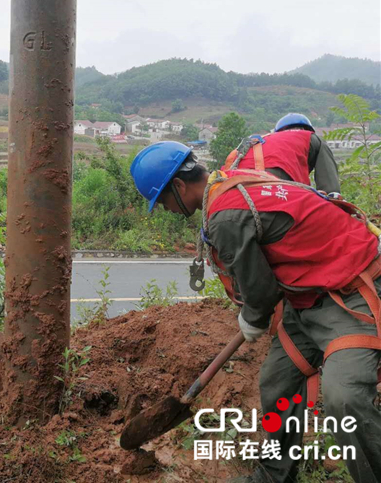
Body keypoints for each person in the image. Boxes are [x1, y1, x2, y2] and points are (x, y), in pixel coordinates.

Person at [131, 141, 381, 483]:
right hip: (306, 296)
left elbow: (261, 295)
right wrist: (254, 309)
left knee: (344, 398)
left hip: (351, 292)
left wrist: (252, 317)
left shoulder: (225, 215)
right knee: (277, 383)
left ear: (178, 186)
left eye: (162, 201)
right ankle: (273, 474)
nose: (165, 210)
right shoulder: (228, 181)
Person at [223, 113, 340, 194]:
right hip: (272, 186)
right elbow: (329, 186)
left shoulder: (259, 141)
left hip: (232, 189)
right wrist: (332, 195)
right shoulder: (310, 138)